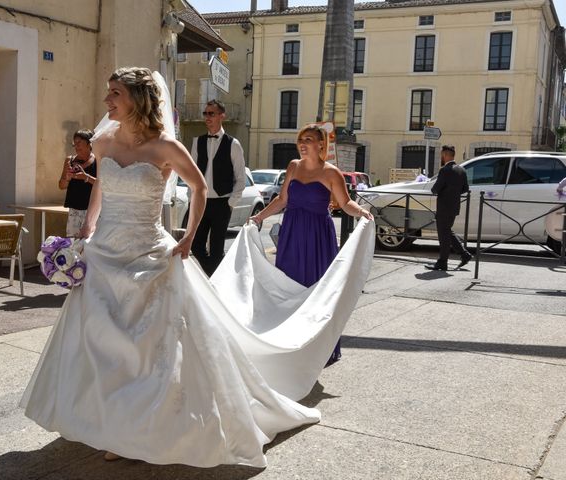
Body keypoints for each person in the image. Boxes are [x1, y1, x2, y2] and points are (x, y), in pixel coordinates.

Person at [20, 67, 322, 468]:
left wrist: (188, 237)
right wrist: (88, 229)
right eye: (108, 92)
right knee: (99, 343)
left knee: (148, 349)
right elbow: (99, 186)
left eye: (115, 93)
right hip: (105, 253)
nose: (107, 101)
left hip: (149, 254)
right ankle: (107, 420)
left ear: (138, 99)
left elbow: (198, 187)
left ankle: (141, 431)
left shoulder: (165, 147)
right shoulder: (104, 140)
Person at [250, 124, 373, 365]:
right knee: (289, 288)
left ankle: (316, 347)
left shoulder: (331, 173)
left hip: (318, 239)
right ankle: (290, 343)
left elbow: (345, 203)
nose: (303, 143)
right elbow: (282, 199)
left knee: (317, 290)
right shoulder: (293, 167)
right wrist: (258, 217)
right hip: (291, 236)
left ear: (321, 145)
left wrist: (362, 212)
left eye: (308, 139)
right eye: (300, 139)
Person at [190, 99, 246, 276]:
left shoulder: (233, 144)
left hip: (222, 203)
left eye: (211, 113)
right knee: (195, 246)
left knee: (216, 248)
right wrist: (192, 198)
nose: (207, 117)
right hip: (201, 202)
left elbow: (240, 178)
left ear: (222, 116)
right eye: (205, 113)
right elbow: (191, 174)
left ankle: (214, 286)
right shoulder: (197, 142)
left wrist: (230, 203)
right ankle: (215, 278)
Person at [426, 145, 471, 271]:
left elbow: (436, 189)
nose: (441, 157)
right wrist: (453, 194)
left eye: (442, 155)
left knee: (443, 235)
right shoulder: (461, 170)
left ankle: (443, 262)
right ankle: (464, 254)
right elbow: (465, 189)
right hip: (454, 206)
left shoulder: (445, 170)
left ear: (445, 155)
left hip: (444, 207)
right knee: (447, 232)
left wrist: (438, 191)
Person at [58, 129, 97, 236]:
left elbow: (103, 185)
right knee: (72, 242)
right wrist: (67, 177)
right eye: (74, 144)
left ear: (89, 143)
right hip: (74, 210)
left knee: (89, 243)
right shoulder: (69, 160)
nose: (76, 146)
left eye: (79, 143)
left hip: (91, 209)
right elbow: (61, 186)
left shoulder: (98, 160)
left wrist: (86, 177)